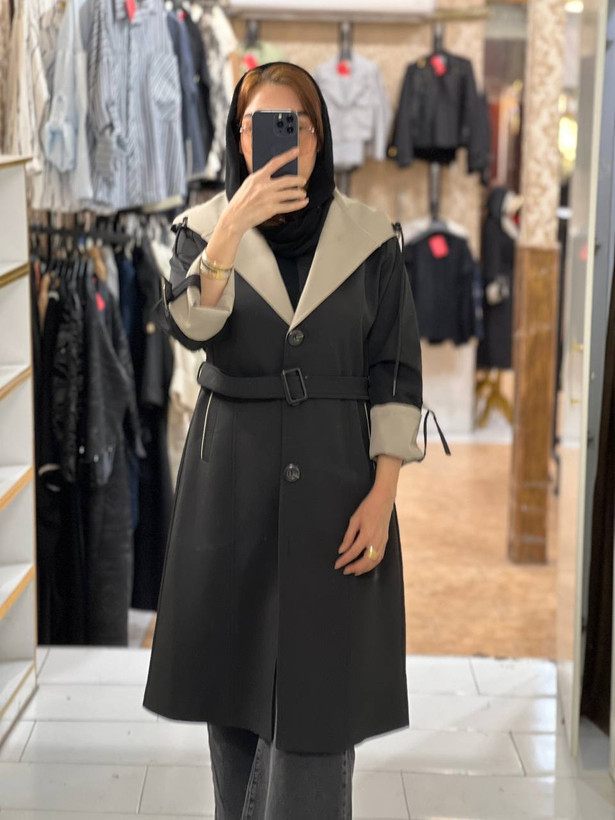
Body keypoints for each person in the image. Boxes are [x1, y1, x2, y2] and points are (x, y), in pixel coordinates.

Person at [143, 62, 441, 819]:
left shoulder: (370, 239)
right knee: (234, 694)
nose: (276, 141)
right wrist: (232, 226)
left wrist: (383, 495)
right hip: (230, 486)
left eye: (293, 126)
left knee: (318, 702)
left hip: (338, 491)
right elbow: (191, 326)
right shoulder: (202, 229)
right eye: (258, 126)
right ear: (239, 138)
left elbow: (395, 372)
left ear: (319, 136)